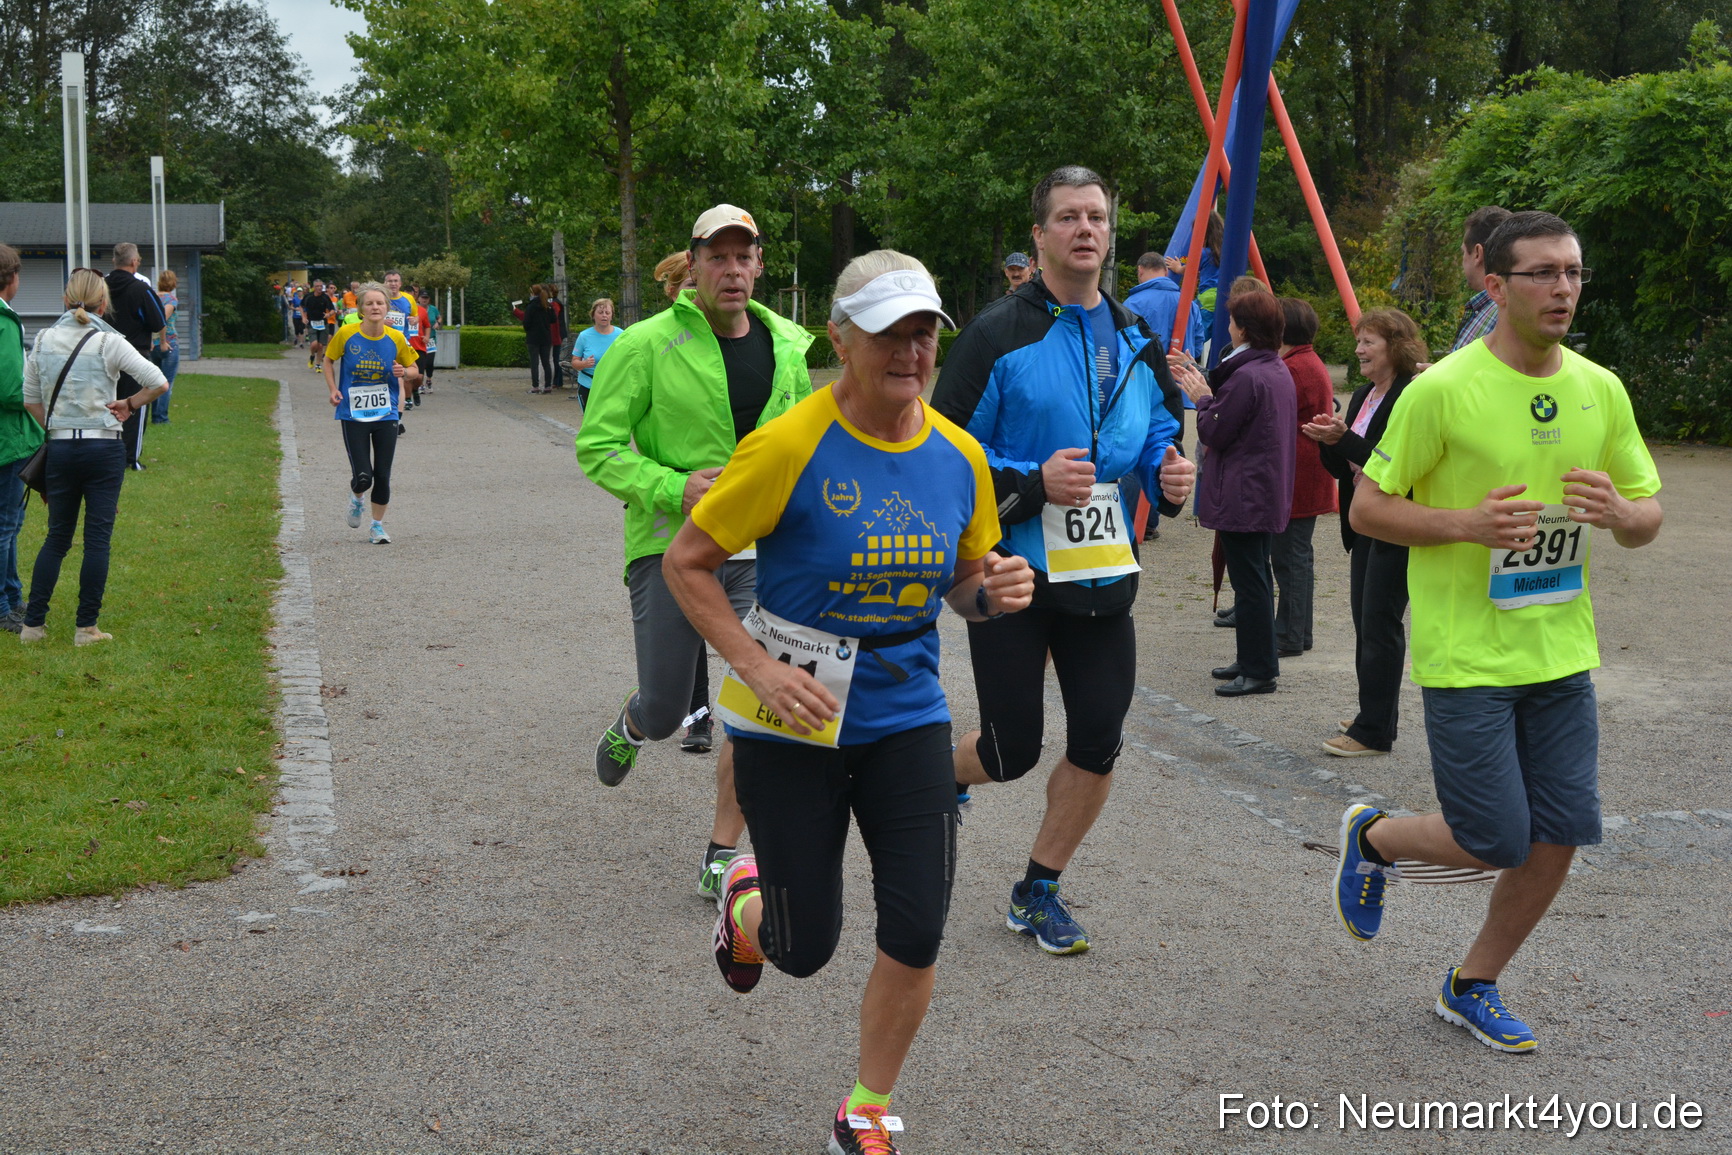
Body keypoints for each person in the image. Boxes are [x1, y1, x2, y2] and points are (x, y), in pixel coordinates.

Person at [663, 250, 1034, 1154]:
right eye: (888, 333)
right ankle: (748, 903)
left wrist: (994, 590)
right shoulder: (789, 444)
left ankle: (865, 1105)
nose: (909, 352)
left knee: (918, 924)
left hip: (907, 715)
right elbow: (688, 563)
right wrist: (754, 667)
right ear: (840, 337)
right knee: (804, 948)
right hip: (796, 716)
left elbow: (960, 582)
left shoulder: (960, 456)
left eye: (923, 333)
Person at [1334, 212, 1662, 1053]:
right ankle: (1372, 834)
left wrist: (1625, 514)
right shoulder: (1443, 388)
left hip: (1562, 650)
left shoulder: (1600, 387)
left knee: (1559, 833)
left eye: (1574, 273)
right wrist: (1467, 525)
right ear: (1496, 285)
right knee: (1490, 839)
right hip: (1468, 652)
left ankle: (1471, 982)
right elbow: (1369, 507)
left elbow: (1647, 512)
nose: (1563, 289)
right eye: (1544, 273)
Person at [933, 166, 1196, 956]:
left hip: (1102, 570)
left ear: (1110, 235)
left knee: (1099, 738)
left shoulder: (1139, 337)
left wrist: (1171, 475)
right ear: (1042, 234)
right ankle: (936, 776)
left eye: (1098, 217)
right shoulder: (996, 333)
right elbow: (941, 449)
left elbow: (1157, 436)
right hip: (1012, 571)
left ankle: (1037, 887)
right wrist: (1027, 482)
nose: (1086, 229)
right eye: (1069, 217)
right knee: (1012, 747)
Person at [575, 204, 814, 903]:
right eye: (718, 256)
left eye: (745, 257)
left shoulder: (789, 347)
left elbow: (806, 446)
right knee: (669, 704)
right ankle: (634, 721)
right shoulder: (644, 345)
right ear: (694, 263)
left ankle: (721, 850)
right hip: (670, 545)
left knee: (751, 701)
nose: (733, 269)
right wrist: (675, 487)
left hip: (762, 552)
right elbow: (598, 446)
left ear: (760, 265)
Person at [18, 268, 168, 644]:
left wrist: (54, 425)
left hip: (61, 447)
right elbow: (158, 382)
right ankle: (86, 627)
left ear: (65, 301)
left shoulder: (44, 339)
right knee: (97, 540)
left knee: (56, 538)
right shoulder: (109, 341)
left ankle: (32, 625)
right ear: (104, 303)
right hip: (103, 447)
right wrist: (129, 404)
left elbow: (29, 399)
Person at [1307, 308, 1427, 756]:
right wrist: (1327, 442)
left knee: (1380, 623)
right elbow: (1346, 467)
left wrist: (1345, 441)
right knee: (1365, 620)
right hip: (1364, 520)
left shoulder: (1409, 395)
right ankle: (1372, 713)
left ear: (1394, 347)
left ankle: (1374, 732)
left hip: (1396, 518)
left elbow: (1393, 464)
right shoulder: (1363, 394)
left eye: (1368, 343)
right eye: (1359, 341)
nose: (1358, 350)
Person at [1171, 289, 1296, 696]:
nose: (1227, 327)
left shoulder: (1248, 375)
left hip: (1246, 492)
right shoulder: (1272, 368)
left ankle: (1259, 669)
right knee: (1253, 578)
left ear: (1242, 329)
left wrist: (1203, 399)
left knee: (1251, 582)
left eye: (1231, 321)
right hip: (1260, 489)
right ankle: (1253, 658)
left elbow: (1214, 431)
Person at [323, 281, 421, 545]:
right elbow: (328, 360)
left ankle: (377, 526)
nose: (375, 307)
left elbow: (414, 370)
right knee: (363, 476)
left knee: (383, 474)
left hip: (386, 412)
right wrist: (333, 389)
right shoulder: (346, 333)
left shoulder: (396, 337)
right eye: (370, 303)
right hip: (353, 413)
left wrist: (405, 372)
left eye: (380, 303)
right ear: (361, 308)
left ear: (387, 308)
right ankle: (356, 498)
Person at [1272, 297, 1337, 658]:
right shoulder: (1305, 361)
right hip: (1307, 471)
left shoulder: (1295, 367)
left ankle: (1290, 634)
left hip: (1299, 474)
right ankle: (1298, 631)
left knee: (1290, 558)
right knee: (1297, 556)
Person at [0, 244, 41, 634]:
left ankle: (12, 596)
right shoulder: (4, 320)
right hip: (7, 438)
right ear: (11, 278)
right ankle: (3, 605)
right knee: (5, 525)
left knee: (9, 523)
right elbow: (12, 390)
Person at [103, 243, 166, 471]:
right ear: (134, 262)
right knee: (134, 407)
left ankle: (106, 453)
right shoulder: (141, 289)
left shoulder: (101, 286)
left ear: (114, 262)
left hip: (102, 354)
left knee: (107, 405)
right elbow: (158, 321)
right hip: (134, 354)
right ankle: (130, 459)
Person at [1452, 206, 1512, 353]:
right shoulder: (1511, 305)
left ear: (1478, 253)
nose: (1463, 261)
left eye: (1464, 252)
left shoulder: (1500, 311)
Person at [1125, 251, 1205, 358]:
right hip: (1183, 371)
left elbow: (1125, 345)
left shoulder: (1132, 303)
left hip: (1145, 372)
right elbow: (1198, 344)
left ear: (1140, 270)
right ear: (1166, 271)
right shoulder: (1190, 305)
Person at [569, 298, 620, 411]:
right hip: (588, 385)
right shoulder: (584, 336)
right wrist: (584, 363)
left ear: (612, 316)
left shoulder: (621, 335)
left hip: (612, 386)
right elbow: (574, 362)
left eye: (607, 313)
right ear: (593, 315)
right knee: (590, 422)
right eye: (600, 312)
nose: (604, 316)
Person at [149, 270, 181, 424]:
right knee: (166, 383)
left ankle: (155, 415)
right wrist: (162, 342)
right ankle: (160, 418)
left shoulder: (153, 297)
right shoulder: (171, 300)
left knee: (155, 382)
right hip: (167, 344)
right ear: (173, 283)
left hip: (152, 345)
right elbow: (162, 319)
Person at [515, 285, 554, 394]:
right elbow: (553, 319)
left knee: (534, 362)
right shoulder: (547, 305)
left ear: (533, 293)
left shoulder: (531, 306)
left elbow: (526, 322)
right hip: (546, 337)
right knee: (546, 362)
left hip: (533, 337)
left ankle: (535, 386)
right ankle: (548, 385)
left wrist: (529, 329)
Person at [302, 278, 336, 375]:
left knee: (321, 345)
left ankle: (318, 365)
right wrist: (303, 317)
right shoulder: (308, 297)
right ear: (314, 287)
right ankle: (312, 356)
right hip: (312, 323)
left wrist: (328, 315)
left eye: (321, 286)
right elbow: (302, 307)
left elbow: (332, 310)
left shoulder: (325, 297)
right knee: (314, 344)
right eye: (317, 286)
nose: (319, 288)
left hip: (323, 323)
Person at [416, 287, 438, 395]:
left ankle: (429, 379)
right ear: (418, 298)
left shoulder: (433, 309)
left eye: (426, 298)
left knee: (430, 362)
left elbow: (439, 318)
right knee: (421, 363)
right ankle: (420, 384)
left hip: (431, 339)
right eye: (422, 298)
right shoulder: (414, 309)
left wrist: (438, 322)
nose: (424, 300)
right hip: (419, 339)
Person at [546, 285, 566, 391]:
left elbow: (554, 318)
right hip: (558, 333)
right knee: (554, 357)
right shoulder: (556, 302)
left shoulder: (555, 304)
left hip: (557, 333)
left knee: (555, 358)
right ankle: (557, 380)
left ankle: (557, 381)